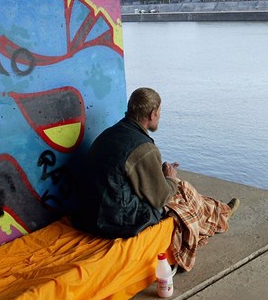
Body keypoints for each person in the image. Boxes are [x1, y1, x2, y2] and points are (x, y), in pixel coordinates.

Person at [71, 87, 239, 271]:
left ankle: (216, 210)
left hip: (85, 215)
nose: (159, 116)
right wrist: (170, 177)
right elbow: (160, 198)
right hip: (112, 221)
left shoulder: (110, 134)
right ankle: (218, 215)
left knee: (177, 188)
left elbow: (121, 174)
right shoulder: (144, 148)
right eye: (159, 112)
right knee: (179, 195)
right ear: (152, 114)